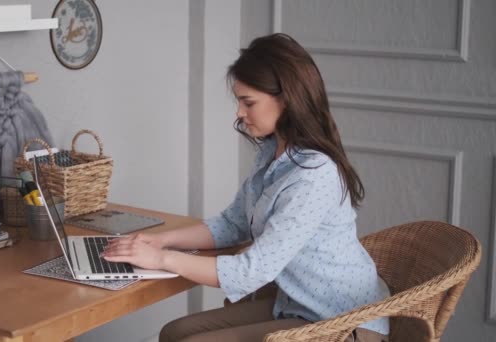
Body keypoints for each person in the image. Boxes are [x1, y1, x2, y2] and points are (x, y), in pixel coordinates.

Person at [102, 33, 390, 342]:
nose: (239, 112)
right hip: (299, 306)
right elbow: (233, 223)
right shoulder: (272, 153)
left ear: (286, 99)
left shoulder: (314, 175)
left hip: (346, 322)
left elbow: (251, 271)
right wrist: (160, 241)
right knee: (173, 334)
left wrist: (163, 260)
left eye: (248, 102)